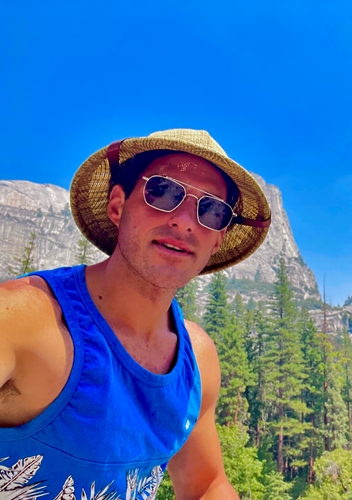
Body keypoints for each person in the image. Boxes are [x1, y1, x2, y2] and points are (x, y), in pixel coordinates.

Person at [0, 129, 272, 499]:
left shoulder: (197, 359)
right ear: (117, 205)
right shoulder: (23, 318)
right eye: (164, 191)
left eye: (211, 211)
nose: (185, 221)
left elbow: (206, 485)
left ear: (218, 239)